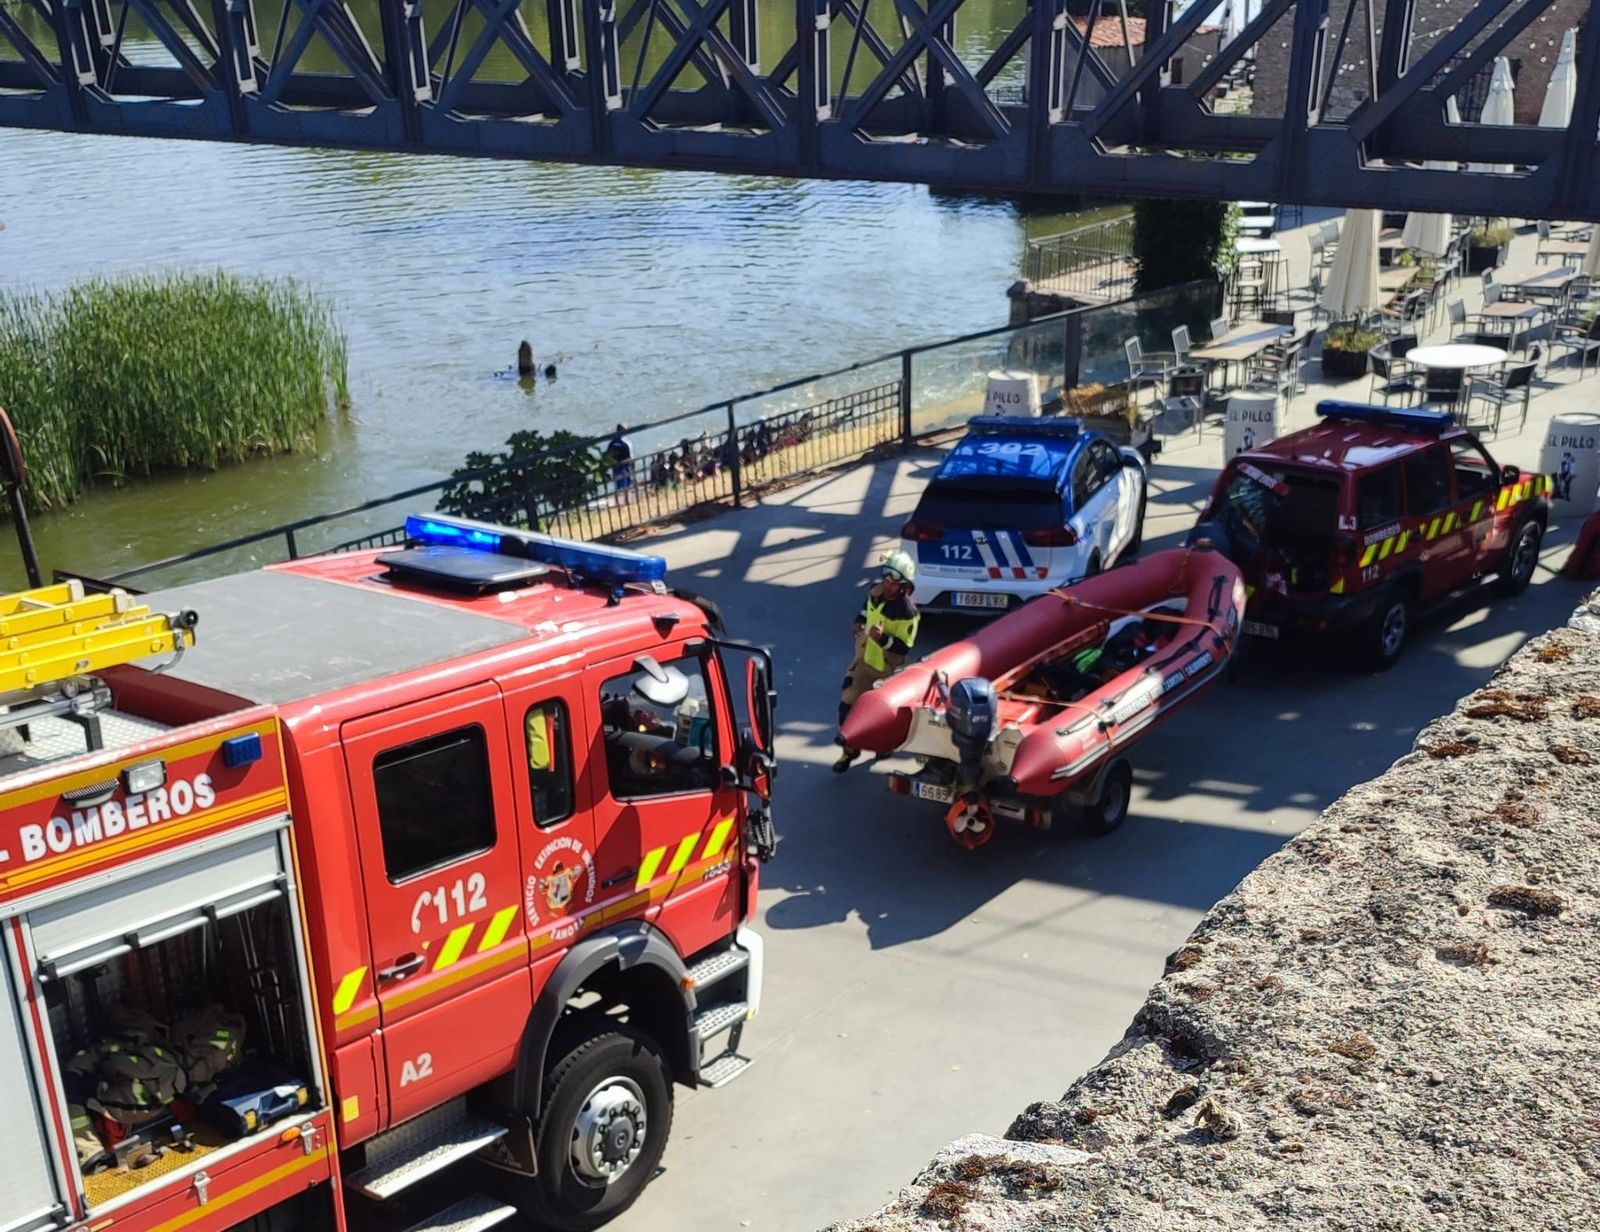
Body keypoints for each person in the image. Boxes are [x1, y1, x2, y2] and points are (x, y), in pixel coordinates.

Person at [833, 549, 920, 773]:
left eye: (894, 584)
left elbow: (904, 646)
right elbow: (867, 609)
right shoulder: (875, 592)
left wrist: (884, 640)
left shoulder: (908, 614)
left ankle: (884, 747)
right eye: (887, 580)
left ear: (903, 587)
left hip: (885, 669)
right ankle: (849, 750)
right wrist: (858, 621)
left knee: (881, 717)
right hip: (863, 662)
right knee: (847, 706)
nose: (888, 586)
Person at [606, 423, 634, 505]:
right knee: (627, 483)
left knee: (617, 484)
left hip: (616, 466)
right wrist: (632, 467)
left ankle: (617, 502)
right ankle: (626, 501)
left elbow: (608, 455)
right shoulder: (626, 443)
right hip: (625, 465)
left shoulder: (612, 442)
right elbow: (630, 457)